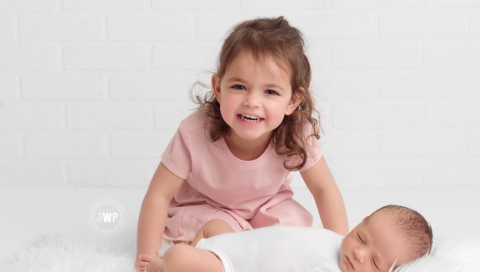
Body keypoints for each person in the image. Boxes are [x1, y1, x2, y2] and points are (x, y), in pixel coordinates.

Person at [135, 16, 348, 272]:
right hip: (208, 206)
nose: (252, 101)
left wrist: (338, 246)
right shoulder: (193, 132)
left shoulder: (296, 133)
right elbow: (159, 194)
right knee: (217, 240)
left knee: (293, 230)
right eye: (239, 86)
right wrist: (147, 256)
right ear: (218, 88)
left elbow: (324, 189)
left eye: (270, 92)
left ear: (292, 101)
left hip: (266, 204)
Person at [158, 205, 433, 272]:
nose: (359, 254)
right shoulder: (336, 239)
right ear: (359, 223)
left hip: (234, 266)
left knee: (174, 256)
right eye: (361, 237)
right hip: (241, 242)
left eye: (374, 262)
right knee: (215, 224)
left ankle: (168, 267)